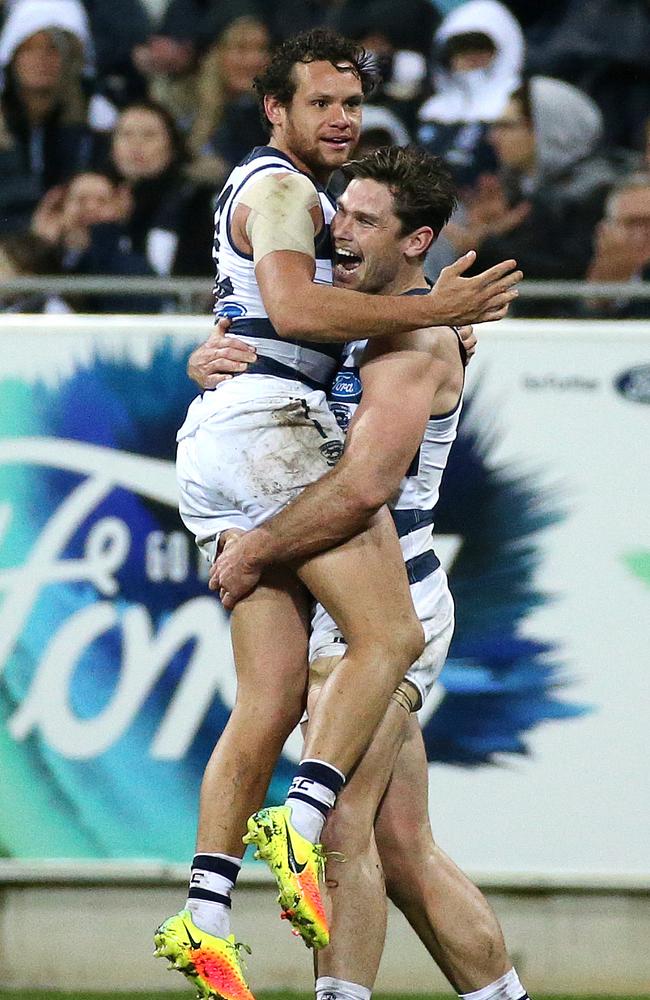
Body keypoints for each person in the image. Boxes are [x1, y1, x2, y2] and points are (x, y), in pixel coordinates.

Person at [154, 26, 521, 999]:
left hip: (378, 564)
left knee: (356, 824)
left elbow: (360, 487)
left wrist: (254, 546)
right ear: (274, 109)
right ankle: (218, 906)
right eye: (322, 104)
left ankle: (248, 892)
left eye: (360, 218)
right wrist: (221, 355)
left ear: (413, 242)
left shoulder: (409, 338)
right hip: (309, 531)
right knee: (392, 843)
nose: (341, 228)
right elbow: (277, 311)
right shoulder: (323, 251)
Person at [0, 0, 116, 232]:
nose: (40, 59)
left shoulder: (98, 119)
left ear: (71, 57)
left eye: (52, 49)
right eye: (29, 49)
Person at [581, 172, 650, 318]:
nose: (641, 234)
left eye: (648, 223)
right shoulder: (574, 262)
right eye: (631, 223)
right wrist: (600, 298)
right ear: (605, 231)